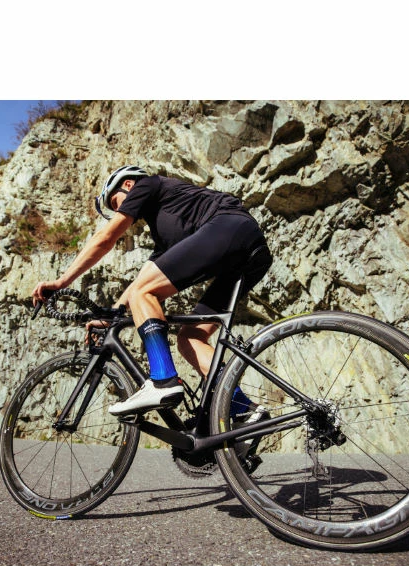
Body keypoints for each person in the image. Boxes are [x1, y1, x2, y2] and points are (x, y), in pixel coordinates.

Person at [32, 165, 273, 418]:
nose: (118, 210)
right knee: (190, 338)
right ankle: (244, 410)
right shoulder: (168, 230)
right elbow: (140, 282)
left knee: (144, 293)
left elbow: (105, 239)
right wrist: (112, 315)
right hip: (248, 251)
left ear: (127, 185)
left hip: (228, 227)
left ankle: (163, 380)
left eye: (115, 203)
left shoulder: (147, 184)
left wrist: (62, 282)